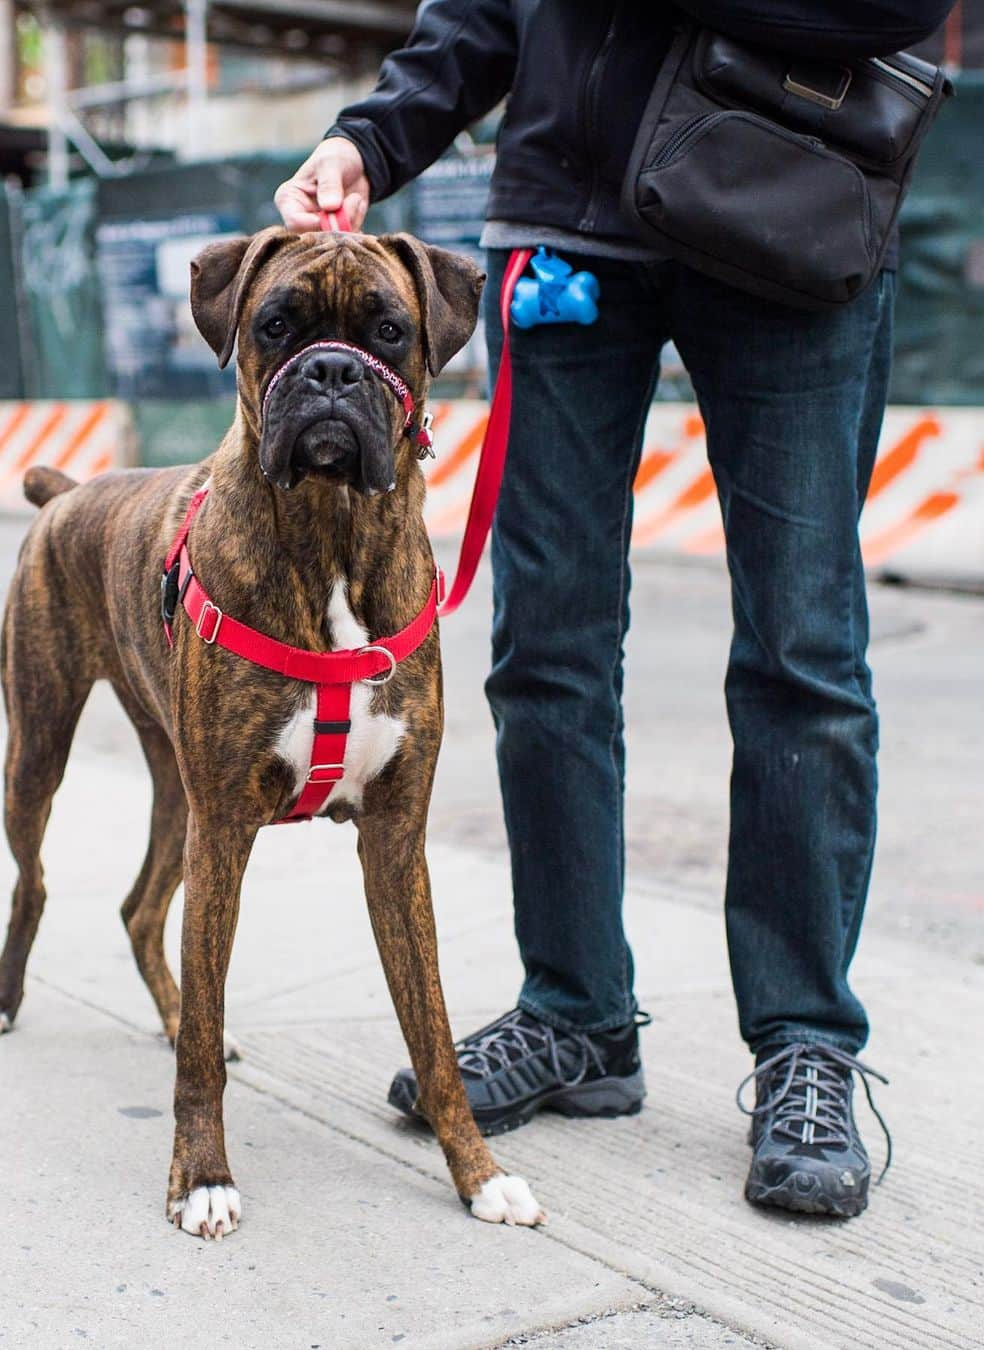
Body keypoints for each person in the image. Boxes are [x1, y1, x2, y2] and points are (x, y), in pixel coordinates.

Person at [275, 0, 952, 1218]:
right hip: (571, 216)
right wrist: (370, 142)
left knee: (805, 651)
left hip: (790, 191)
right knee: (547, 650)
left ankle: (806, 1043)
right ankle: (577, 1011)